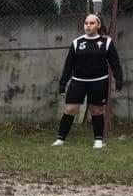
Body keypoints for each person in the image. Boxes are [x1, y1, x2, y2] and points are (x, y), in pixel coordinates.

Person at [53, 14, 124, 149]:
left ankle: (98, 140)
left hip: (99, 81)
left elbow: (115, 63)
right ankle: (60, 139)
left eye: (91, 23)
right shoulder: (77, 43)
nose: (88, 26)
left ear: (98, 25)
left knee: (97, 110)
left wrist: (118, 78)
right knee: (70, 109)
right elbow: (68, 65)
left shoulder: (106, 42)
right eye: (86, 23)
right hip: (78, 81)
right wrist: (63, 84)